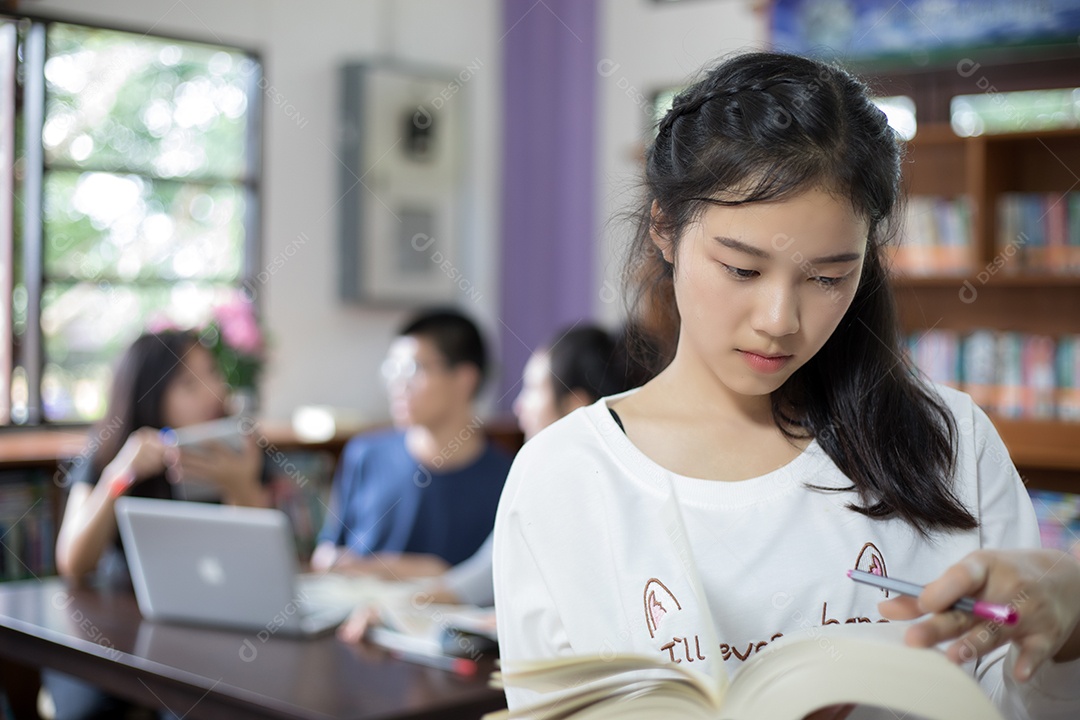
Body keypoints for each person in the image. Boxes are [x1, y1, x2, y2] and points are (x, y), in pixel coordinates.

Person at [493, 51, 1080, 718]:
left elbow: (1025, 698)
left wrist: (1070, 625)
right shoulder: (565, 476)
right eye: (742, 270)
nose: (780, 321)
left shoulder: (948, 443)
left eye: (828, 278)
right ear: (664, 229)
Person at [336, 323, 640, 643]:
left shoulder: (555, 492)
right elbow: (478, 578)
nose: (519, 406)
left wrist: (395, 610)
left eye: (533, 390)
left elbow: (473, 583)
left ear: (575, 407)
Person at [51, 329, 268, 720]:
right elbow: (73, 562)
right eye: (189, 384)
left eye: (213, 374)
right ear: (150, 394)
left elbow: (260, 567)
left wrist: (241, 485)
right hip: (117, 627)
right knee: (86, 711)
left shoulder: (234, 450)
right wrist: (120, 475)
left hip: (204, 632)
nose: (213, 392)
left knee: (199, 708)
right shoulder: (108, 451)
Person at [310, 308, 511, 574]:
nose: (399, 385)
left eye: (412, 370)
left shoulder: (506, 480)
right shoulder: (365, 455)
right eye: (392, 370)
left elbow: (494, 581)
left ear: (465, 379)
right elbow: (327, 551)